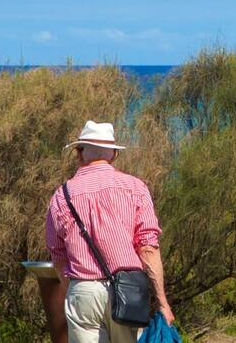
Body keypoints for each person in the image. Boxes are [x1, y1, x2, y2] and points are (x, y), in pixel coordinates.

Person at [45, 121, 174, 343]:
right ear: (114, 154)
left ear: (79, 153)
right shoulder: (135, 187)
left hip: (83, 289)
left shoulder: (61, 196)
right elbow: (147, 249)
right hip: (129, 290)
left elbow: (57, 254)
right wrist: (162, 302)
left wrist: (74, 290)